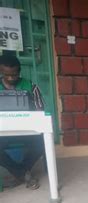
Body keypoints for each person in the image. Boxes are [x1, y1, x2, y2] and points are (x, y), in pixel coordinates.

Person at [0, 55, 45, 189]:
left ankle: (19, 172)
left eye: (14, 74)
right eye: (7, 74)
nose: (11, 78)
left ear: (19, 71)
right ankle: (23, 173)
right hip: (3, 132)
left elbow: (40, 109)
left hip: (26, 130)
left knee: (42, 143)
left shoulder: (30, 86)